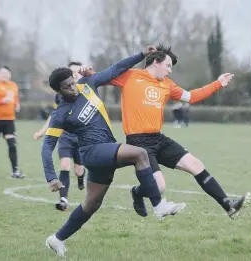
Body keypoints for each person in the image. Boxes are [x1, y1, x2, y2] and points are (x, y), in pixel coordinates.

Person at [43, 47, 185, 257]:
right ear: (59, 91)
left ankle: (56, 239)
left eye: (73, 82)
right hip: (92, 152)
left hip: (106, 148)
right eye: (67, 87)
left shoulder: (87, 84)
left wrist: (141, 55)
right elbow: (47, 146)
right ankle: (159, 205)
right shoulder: (60, 114)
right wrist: (51, 177)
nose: (73, 89)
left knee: (91, 204)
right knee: (140, 154)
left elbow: (116, 68)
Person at [109, 44, 250, 219]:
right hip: (138, 142)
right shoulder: (131, 76)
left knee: (196, 165)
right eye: (168, 65)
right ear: (155, 62)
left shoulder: (167, 85)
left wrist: (218, 83)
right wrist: (84, 75)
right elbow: (104, 76)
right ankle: (137, 193)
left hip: (158, 139)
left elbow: (191, 97)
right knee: (159, 187)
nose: (169, 70)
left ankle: (228, 205)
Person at [34, 62, 87, 211]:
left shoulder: (86, 89)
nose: (75, 74)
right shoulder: (61, 95)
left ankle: (81, 177)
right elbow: (55, 117)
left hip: (81, 138)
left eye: (77, 72)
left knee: (78, 170)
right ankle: (63, 199)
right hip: (65, 137)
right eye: (73, 71)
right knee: (65, 165)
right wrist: (43, 131)